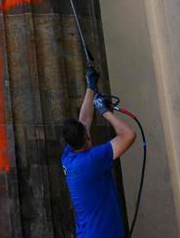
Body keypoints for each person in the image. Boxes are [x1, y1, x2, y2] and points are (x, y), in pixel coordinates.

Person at [61, 66, 136, 238]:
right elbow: (128, 135)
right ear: (87, 137)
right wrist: (105, 112)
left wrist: (91, 86)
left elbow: (84, 121)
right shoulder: (92, 160)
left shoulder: (68, 156)